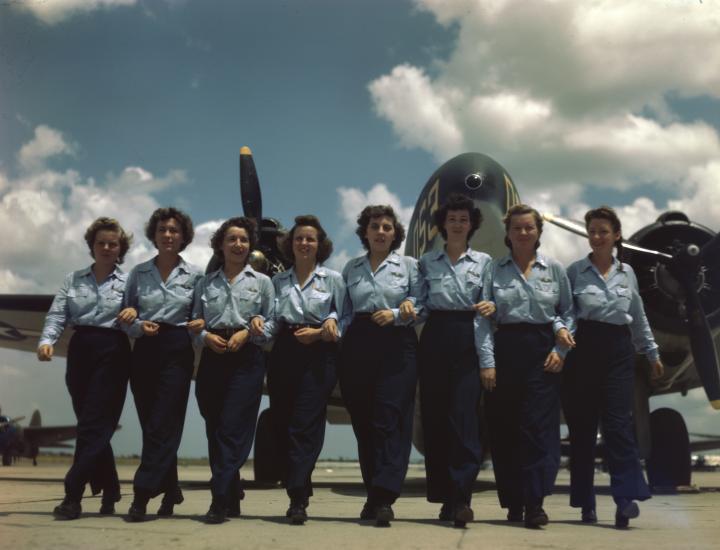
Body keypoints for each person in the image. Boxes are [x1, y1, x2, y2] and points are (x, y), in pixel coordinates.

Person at [563, 206, 664, 528]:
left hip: (618, 352)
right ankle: (585, 504)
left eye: (603, 231)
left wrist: (651, 352)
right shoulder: (575, 272)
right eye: (592, 231)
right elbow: (565, 314)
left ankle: (625, 500)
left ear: (616, 235)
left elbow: (639, 316)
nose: (597, 237)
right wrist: (560, 346)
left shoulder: (628, 273)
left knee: (619, 427)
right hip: (583, 352)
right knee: (582, 432)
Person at [483, 203, 575, 528]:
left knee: (539, 430)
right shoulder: (494, 270)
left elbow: (567, 313)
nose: (523, 233)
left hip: (542, 353)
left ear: (538, 232)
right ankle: (513, 502)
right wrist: (487, 363)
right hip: (506, 348)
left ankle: (535, 503)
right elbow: (483, 319)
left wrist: (560, 351)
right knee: (505, 429)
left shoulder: (555, 270)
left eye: (529, 228)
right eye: (517, 228)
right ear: (507, 233)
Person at [38, 217, 133, 519]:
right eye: (101, 243)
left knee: (93, 425)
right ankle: (112, 487)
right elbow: (57, 314)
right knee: (91, 424)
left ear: (121, 249)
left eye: (112, 244)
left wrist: (136, 319)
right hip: (80, 350)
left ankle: (72, 495)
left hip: (114, 351)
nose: (106, 248)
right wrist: (46, 341)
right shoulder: (73, 279)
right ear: (92, 246)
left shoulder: (131, 282)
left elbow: (143, 321)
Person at [339, 205, 422, 526]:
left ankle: (384, 497)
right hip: (358, 341)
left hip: (396, 342)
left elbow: (423, 302)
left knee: (390, 419)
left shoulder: (410, 266)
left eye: (387, 226)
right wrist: (331, 328)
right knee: (364, 423)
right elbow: (344, 311)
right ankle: (373, 491)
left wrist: (401, 313)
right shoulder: (352, 268)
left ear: (395, 233)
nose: (381, 231)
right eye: (375, 226)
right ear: (366, 231)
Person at [417, 194, 495, 527]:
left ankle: (462, 496)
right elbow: (420, 305)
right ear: (443, 225)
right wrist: (402, 311)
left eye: (464, 219)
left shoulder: (485, 263)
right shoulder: (427, 262)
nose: (458, 224)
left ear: (472, 224)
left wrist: (487, 358)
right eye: (452, 218)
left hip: (468, 336)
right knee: (434, 420)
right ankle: (445, 498)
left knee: (464, 420)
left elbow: (488, 309)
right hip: (435, 335)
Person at [122, 207, 204, 522]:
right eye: (162, 230)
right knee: (150, 424)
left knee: (163, 423)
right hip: (144, 348)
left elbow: (199, 320)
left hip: (177, 349)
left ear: (183, 236)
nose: (168, 235)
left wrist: (201, 333)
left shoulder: (196, 276)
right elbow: (126, 317)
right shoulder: (138, 273)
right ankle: (171, 487)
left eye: (173, 230)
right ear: (154, 235)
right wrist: (136, 325)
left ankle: (142, 494)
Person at [192, 217, 275, 524]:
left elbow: (273, 322)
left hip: (247, 356)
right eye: (232, 239)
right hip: (213, 355)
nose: (239, 244)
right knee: (214, 426)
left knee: (232, 427)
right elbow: (194, 323)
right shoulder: (205, 283)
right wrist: (203, 337)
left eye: (243, 240)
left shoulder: (263, 283)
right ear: (220, 245)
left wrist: (252, 332)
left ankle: (218, 497)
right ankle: (231, 489)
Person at [266, 215, 345, 525]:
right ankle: (299, 482)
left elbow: (344, 315)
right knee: (281, 423)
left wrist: (330, 325)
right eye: (299, 238)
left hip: (319, 352)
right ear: (291, 244)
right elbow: (273, 320)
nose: (304, 243)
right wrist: (258, 327)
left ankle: (297, 496)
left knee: (306, 424)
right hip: (284, 350)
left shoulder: (334, 280)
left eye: (310, 238)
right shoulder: (277, 282)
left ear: (319, 245)